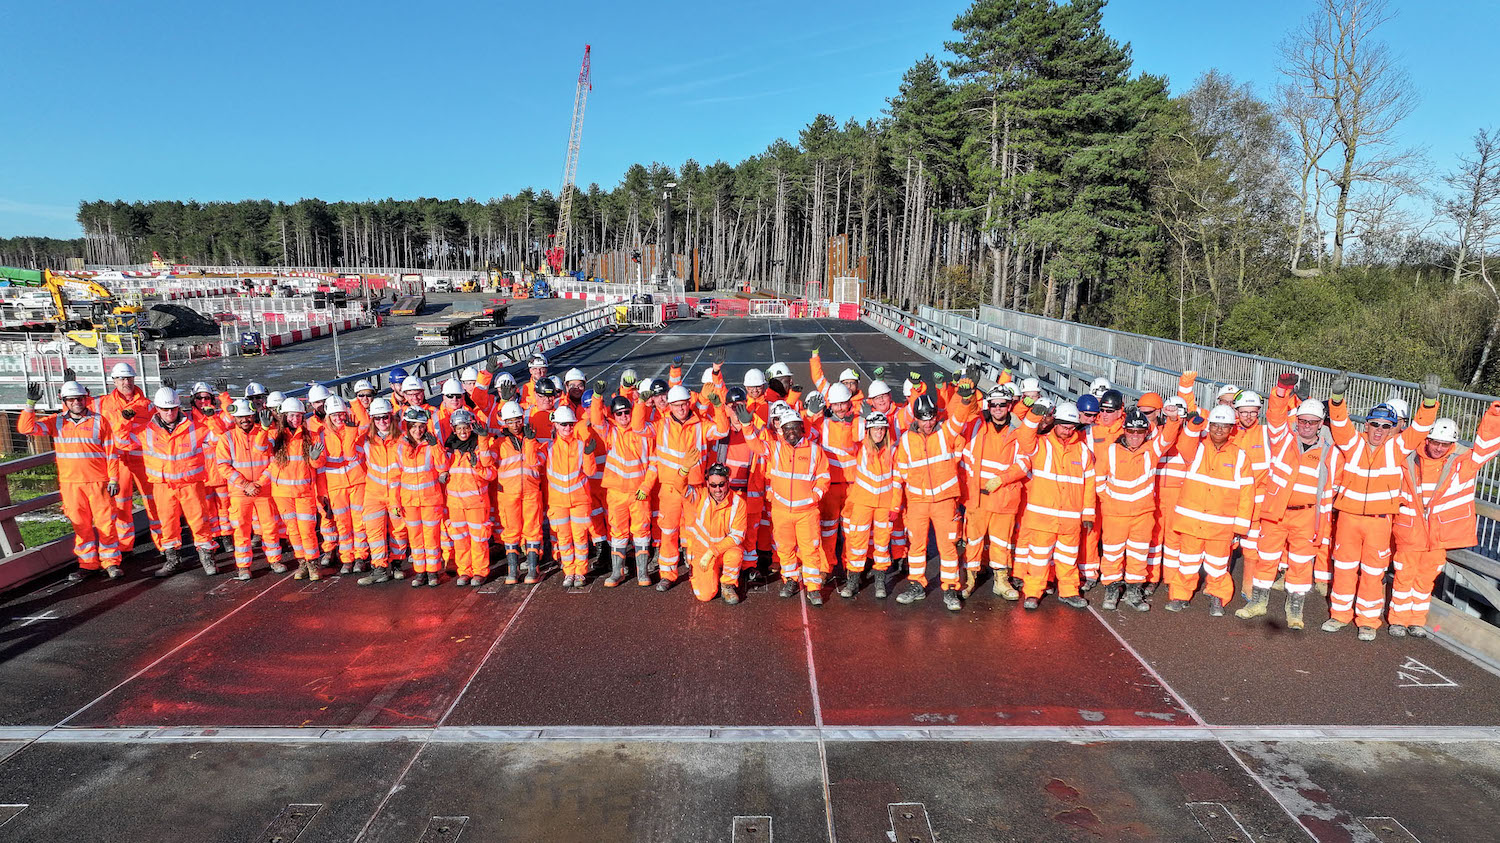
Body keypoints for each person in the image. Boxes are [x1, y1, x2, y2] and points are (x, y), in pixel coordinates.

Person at [1324, 372, 1440, 640]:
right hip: (1349, 519)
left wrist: (1429, 403)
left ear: (1393, 428)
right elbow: (1340, 423)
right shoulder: (1353, 445)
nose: (1378, 430)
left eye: (1385, 426)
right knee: (1343, 567)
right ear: (1366, 425)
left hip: (1379, 522)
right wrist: (1337, 399)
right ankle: (1339, 615)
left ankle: (1367, 620)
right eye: (1374, 424)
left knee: (1373, 572)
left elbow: (1420, 429)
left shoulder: (1397, 449)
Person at [1391, 404, 1500, 636]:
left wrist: (1494, 415)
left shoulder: (1462, 464)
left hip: (1436, 537)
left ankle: (1416, 621)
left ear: (1452, 445)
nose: (1439, 448)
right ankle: (1398, 620)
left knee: (1425, 582)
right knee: (1403, 577)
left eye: (1445, 444)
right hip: (1409, 532)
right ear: (1427, 440)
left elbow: (1487, 446)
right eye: (1435, 442)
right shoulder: (1407, 458)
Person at [20, 381, 125, 580]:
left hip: (99, 482)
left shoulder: (99, 421)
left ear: (85, 399)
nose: (77, 402)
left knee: (106, 525)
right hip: (71, 485)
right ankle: (88, 565)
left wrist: (113, 479)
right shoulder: (56, 422)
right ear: (64, 401)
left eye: (80, 398)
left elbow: (111, 452)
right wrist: (30, 405)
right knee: (81, 525)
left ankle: (111, 563)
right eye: (72, 399)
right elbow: (26, 428)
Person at [893, 374, 977, 611]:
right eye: (923, 419)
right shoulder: (906, 441)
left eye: (931, 418)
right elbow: (899, 474)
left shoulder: (947, 432)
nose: (928, 423)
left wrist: (965, 396)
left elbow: (960, 417)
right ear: (916, 418)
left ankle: (950, 589)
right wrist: (895, 505)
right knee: (917, 546)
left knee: (948, 547)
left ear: (936, 416)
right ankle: (916, 586)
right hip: (917, 502)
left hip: (944, 501)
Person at [1164, 405, 1255, 615]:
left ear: (1232, 428)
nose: (1219, 430)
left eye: (1224, 426)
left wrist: (1240, 527)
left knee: (1218, 565)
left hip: (1220, 526)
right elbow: (1184, 442)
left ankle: (1217, 597)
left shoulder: (1240, 457)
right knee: (1187, 562)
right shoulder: (1196, 449)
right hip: (1192, 523)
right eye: (1215, 425)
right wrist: (1193, 426)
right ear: (1210, 426)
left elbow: (1247, 493)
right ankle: (1180, 596)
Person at [641, 385, 728, 590]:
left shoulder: (701, 425)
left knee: (695, 532)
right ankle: (667, 574)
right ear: (670, 406)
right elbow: (638, 428)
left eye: (684, 404)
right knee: (668, 531)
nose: (681, 409)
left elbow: (722, 430)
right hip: (670, 488)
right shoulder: (661, 425)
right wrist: (639, 404)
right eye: (677, 405)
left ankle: (694, 568)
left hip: (694, 488)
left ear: (689, 403)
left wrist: (718, 407)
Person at [1013, 400, 1094, 610]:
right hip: (1043, 520)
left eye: (1071, 427)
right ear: (1055, 424)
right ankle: (1032, 593)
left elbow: (1089, 485)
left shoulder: (1083, 452)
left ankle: (1069, 591)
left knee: (1068, 559)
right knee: (1038, 559)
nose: (1068, 431)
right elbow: (1024, 438)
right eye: (1064, 427)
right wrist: (1033, 417)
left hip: (1070, 520)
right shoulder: (1041, 445)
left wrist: (1088, 515)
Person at [1097, 408, 1180, 610]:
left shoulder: (1151, 450)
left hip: (1142, 516)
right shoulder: (1110, 451)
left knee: (1138, 554)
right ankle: (1111, 590)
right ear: (1125, 430)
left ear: (1146, 433)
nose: (1135, 436)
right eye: (1131, 432)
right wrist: (1108, 503)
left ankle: (1134, 592)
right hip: (1115, 515)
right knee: (1112, 555)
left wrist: (1173, 418)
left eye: (1140, 433)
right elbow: (1099, 480)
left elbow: (1168, 436)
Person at [137, 387, 219, 578]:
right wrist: (125, 422)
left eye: (173, 408)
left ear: (179, 408)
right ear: (156, 408)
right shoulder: (147, 432)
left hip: (190, 484)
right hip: (163, 486)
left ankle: (207, 559)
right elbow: (122, 440)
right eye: (165, 409)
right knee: (167, 524)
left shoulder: (195, 428)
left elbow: (219, 437)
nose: (169, 412)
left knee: (200, 522)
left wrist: (212, 417)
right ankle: (172, 560)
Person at [960, 388, 1025, 601]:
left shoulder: (1018, 431)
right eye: (994, 404)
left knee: (1001, 542)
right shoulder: (978, 425)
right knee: (974, 540)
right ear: (989, 406)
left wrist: (1003, 479)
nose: (998, 409)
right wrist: (967, 393)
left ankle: (1001, 581)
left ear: (1009, 406)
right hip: (978, 497)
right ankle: (970, 578)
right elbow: (963, 411)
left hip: (1004, 496)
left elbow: (1024, 463)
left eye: (1002, 404)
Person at [762, 407, 831, 604]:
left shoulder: (815, 451)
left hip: (807, 512)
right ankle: (790, 580)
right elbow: (755, 444)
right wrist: (746, 425)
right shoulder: (775, 449)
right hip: (782, 510)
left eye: (794, 427)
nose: (791, 431)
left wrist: (814, 497)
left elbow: (824, 477)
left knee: (810, 550)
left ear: (802, 428)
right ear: (781, 431)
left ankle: (813, 588)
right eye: (787, 428)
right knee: (785, 548)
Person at [216, 399, 285, 579]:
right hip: (240, 491)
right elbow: (223, 466)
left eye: (247, 415)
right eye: (240, 417)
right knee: (241, 529)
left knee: (270, 526)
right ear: (234, 418)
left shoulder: (266, 434)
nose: (244, 419)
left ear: (253, 415)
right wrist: (245, 484)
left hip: (263, 489)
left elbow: (274, 462)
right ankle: (244, 566)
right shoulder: (227, 438)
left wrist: (260, 483)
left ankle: (274, 560)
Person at [593, 393, 653, 586]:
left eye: (627, 412)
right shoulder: (610, 432)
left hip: (639, 493)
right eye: (619, 413)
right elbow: (596, 420)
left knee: (642, 531)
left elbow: (655, 462)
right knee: (618, 533)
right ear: (614, 415)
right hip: (616, 493)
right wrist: (596, 398)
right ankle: (617, 572)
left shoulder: (644, 433)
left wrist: (646, 486)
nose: (624, 416)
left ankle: (642, 572)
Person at [99, 362, 158, 552]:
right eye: (122, 379)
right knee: (121, 503)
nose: (126, 382)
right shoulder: (103, 404)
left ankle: (165, 544)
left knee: (153, 500)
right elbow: (74, 409)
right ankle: (125, 547)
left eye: (129, 378)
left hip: (141, 459)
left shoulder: (147, 405)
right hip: (118, 461)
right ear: (114, 381)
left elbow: (157, 431)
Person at [843, 410, 902, 598]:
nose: (879, 432)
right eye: (875, 429)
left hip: (884, 506)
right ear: (868, 430)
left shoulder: (893, 451)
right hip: (862, 503)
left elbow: (898, 481)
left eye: (882, 429)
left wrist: (895, 506)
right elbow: (847, 436)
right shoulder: (859, 448)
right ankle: (852, 581)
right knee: (857, 543)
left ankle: (880, 581)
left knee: (882, 545)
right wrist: (850, 416)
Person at [268, 397, 328, 581]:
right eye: (292, 415)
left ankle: (313, 564)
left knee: (307, 530)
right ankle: (302, 563)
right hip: (282, 494)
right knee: (292, 530)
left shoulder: (311, 436)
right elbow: (261, 450)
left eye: (299, 415)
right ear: (284, 416)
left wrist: (316, 458)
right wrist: (263, 429)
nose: (295, 419)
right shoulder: (274, 436)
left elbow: (319, 464)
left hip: (304, 493)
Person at [544, 405, 598, 588]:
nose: (568, 428)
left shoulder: (582, 445)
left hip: (579, 501)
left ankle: (581, 573)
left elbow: (590, 472)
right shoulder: (548, 448)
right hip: (558, 503)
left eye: (570, 425)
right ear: (556, 426)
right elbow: (531, 462)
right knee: (564, 539)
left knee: (581, 539)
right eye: (564, 425)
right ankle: (569, 571)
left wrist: (590, 455)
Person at [491, 400, 545, 584]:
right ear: (504, 423)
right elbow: (486, 462)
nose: (515, 425)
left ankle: (532, 569)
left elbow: (536, 462)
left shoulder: (532, 440)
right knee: (511, 531)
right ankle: (512, 571)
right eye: (511, 422)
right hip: (508, 494)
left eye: (518, 420)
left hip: (531, 490)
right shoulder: (498, 444)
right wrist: (483, 440)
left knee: (533, 530)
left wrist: (530, 441)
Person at [357, 398, 410, 585]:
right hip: (374, 493)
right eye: (377, 418)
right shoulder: (366, 439)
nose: (382, 421)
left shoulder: (403, 439)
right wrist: (353, 403)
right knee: (374, 531)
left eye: (385, 417)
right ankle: (379, 568)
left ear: (391, 417)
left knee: (399, 530)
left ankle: (397, 564)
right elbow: (349, 450)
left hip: (397, 493)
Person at [443, 408, 495, 587]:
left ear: (471, 427)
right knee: (460, 539)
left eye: (466, 427)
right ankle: (464, 571)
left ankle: (480, 571)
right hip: (456, 504)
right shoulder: (450, 450)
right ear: (454, 429)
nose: (463, 432)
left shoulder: (480, 447)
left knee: (478, 539)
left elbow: (490, 473)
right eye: (459, 429)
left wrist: (478, 464)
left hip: (476, 502)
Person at [396, 407, 447, 587]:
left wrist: (436, 446)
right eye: (414, 427)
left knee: (431, 536)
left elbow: (443, 466)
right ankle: (420, 572)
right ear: (408, 427)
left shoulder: (432, 444)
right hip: (409, 501)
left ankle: (433, 571)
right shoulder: (400, 447)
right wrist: (396, 502)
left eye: (421, 426)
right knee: (416, 537)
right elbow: (395, 477)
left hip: (430, 499)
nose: (418, 431)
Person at [685, 463, 748, 603]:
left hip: (721, 551)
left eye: (721, 484)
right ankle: (698, 569)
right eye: (713, 485)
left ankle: (727, 584)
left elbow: (737, 536)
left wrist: (712, 552)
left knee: (735, 553)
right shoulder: (699, 496)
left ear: (728, 482)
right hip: (702, 552)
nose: (718, 489)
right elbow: (680, 487)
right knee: (705, 596)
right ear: (707, 484)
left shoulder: (739, 503)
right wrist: (684, 469)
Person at [322, 396, 370, 574]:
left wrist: (355, 402)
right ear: (328, 416)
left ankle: (360, 557)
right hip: (336, 487)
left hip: (358, 482)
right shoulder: (322, 434)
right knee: (343, 525)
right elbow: (319, 465)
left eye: (341, 414)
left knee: (360, 523)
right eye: (334, 415)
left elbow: (365, 422)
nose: (338, 418)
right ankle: (347, 558)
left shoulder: (355, 430)